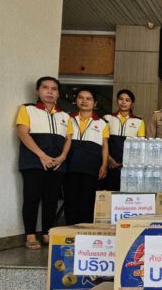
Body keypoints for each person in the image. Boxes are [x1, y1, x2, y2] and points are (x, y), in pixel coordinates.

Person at [16, 76, 71, 249]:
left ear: (58, 93)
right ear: (37, 91)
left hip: (57, 163)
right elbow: (23, 133)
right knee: (32, 198)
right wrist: (42, 155)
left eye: (54, 89)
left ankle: (47, 233)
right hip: (34, 162)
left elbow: (68, 139)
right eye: (45, 88)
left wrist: (62, 157)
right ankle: (31, 235)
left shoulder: (65, 115)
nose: (49, 92)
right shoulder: (27, 109)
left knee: (51, 200)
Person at [64, 88, 109, 225]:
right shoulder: (67, 118)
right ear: (76, 100)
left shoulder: (102, 123)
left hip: (91, 166)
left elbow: (105, 145)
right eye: (81, 98)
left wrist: (104, 165)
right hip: (71, 165)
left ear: (95, 103)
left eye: (88, 99)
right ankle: (70, 229)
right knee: (70, 199)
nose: (84, 101)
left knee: (87, 200)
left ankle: (85, 229)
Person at [101, 89, 145, 191]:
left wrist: (127, 162)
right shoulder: (107, 118)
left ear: (132, 104)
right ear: (116, 101)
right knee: (108, 193)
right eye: (121, 99)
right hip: (109, 164)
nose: (123, 102)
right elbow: (102, 142)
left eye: (127, 100)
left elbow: (140, 146)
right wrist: (108, 158)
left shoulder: (139, 121)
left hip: (129, 166)